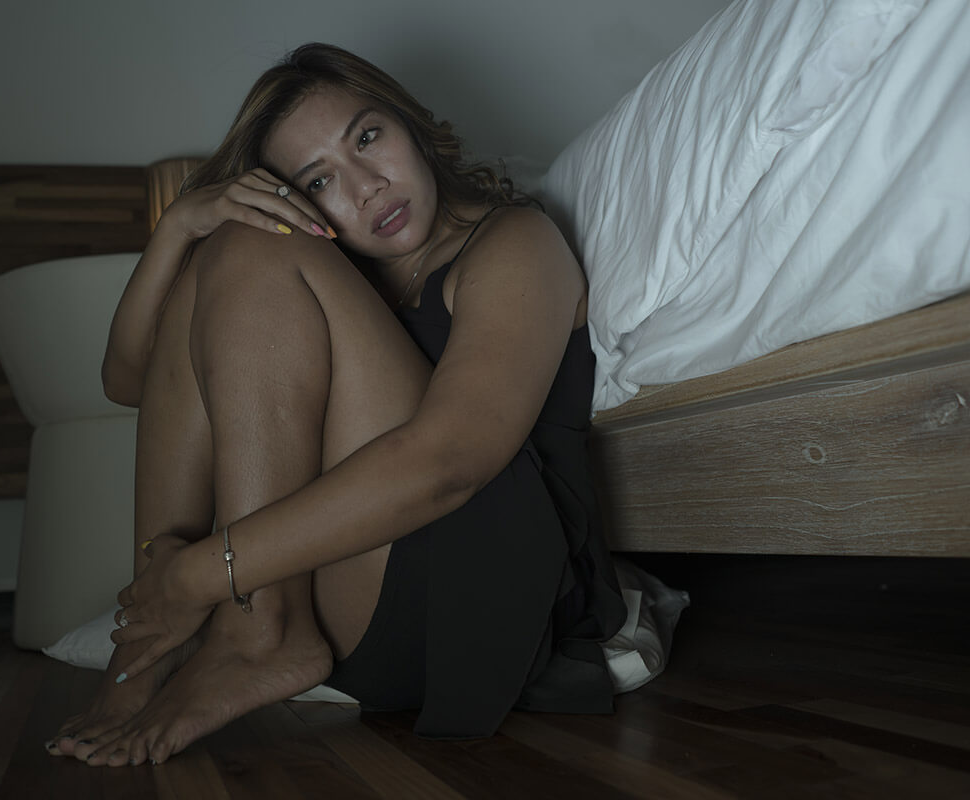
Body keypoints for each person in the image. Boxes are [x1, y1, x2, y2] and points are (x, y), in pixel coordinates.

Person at [47, 42, 626, 767]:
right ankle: (143, 657)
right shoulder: (324, 279)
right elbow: (129, 382)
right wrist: (180, 228)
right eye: (318, 179)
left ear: (412, 127)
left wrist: (196, 574)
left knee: (252, 247)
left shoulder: (513, 242)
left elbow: (451, 462)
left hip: (487, 586)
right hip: (357, 602)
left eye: (368, 137)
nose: (367, 187)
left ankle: (257, 633)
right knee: (231, 245)